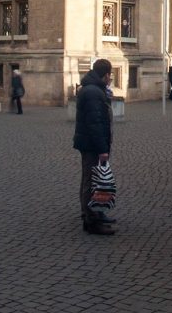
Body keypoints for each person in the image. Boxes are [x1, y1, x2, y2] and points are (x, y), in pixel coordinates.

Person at [74, 58, 115, 235]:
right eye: (110, 75)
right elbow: (95, 123)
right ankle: (90, 220)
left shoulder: (95, 90)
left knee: (93, 179)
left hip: (90, 143)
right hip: (92, 145)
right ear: (106, 75)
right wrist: (102, 149)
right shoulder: (93, 93)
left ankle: (95, 212)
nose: (110, 78)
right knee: (91, 181)